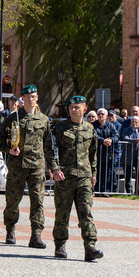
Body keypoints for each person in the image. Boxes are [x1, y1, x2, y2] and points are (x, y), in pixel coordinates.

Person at [0, 84, 55, 249]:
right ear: (22, 98)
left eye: (34, 96)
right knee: (12, 200)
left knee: (38, 201)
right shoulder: (13, 118)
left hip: (36, 166)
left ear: (37, 98)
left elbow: (48, 145)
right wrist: (8, 149)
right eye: (28, 96)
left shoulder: (44, 120)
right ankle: (10, 229)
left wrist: (53, 166)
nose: (31, 99)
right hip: (17, 166)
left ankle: (36, 234)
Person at [51, 95, 104, 262]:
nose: (74, 109)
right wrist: (54, 169)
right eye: (71, 107)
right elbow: (49, 150)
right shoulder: (60, 128)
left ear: (84, 108)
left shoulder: (89, 129)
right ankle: (60, 245)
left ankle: (90, 246)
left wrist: (94, 174)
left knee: (86, 212)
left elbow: (93, 153)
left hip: (84, 178)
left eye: (77, 107)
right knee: (62, 213)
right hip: (65, 178)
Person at [93, 108, 120, 193]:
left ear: (106, 116)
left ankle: (106, 190)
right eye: (99, 114)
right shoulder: (93, 125)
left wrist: (111, 140)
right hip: (96, 153)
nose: (100, 116)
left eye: (102, 114)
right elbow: (93, 136)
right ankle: (97, 190)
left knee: (107, 173)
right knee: (97, 172)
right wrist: (103, 141)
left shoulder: (111, 125)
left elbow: (116, 136)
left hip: (108, 153)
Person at [120, 116, 139, 194]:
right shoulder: (126, 130)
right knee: (128, 174)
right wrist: (136, 140)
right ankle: (129, 191)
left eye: (136, 122)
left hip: (138, 155)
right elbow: (125, 138)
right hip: (128, 155)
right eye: (133, 121)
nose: (134, 123)